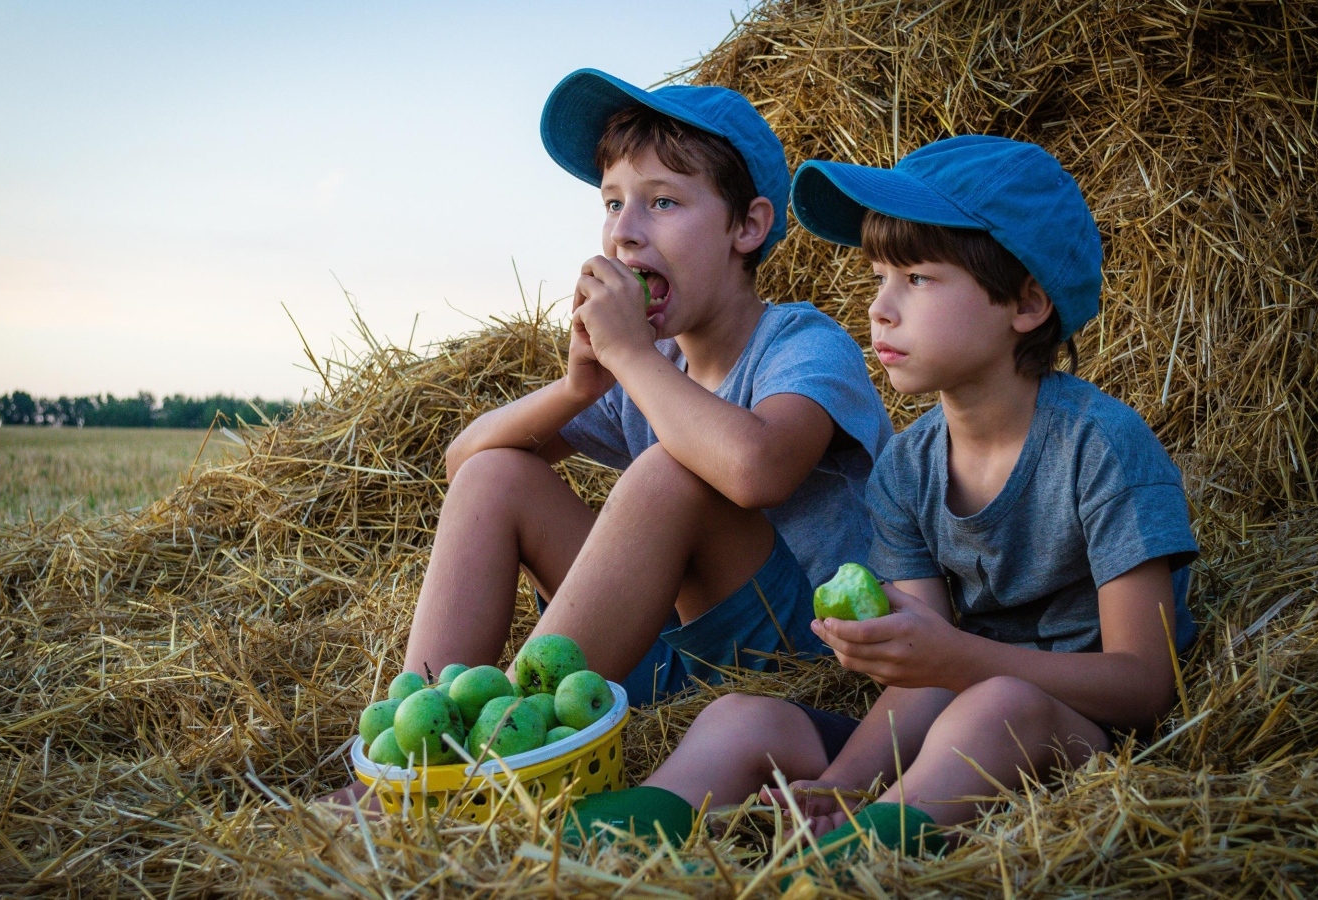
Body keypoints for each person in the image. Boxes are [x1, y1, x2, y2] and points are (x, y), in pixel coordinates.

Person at [566, 135, 1199, 864]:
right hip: (949, 715)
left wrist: (957, 658)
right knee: (737, 718)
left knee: (992, 706)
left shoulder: (1101, 448)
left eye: (919, 279)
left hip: (1078, 735)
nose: (880, 309)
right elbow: (924, 675)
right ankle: (591, 855)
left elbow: (1145, 684)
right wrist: (836, 785)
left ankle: (836, 871)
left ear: (1025, 302)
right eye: (879, 276)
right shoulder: (908, 467)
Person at [401, 68, 893, 709]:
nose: (624, 231)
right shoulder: (650, 365)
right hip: (669, 658)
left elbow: (756, 472)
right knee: (498, 477)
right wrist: (578, 386)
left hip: (798, 661)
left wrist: (631, 355)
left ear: (746, 227)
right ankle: (414, 735)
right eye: (612, 202)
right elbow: (465, 465)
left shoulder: (801, 342)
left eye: (662, 202)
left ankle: (503, 742)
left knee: (672, 472)